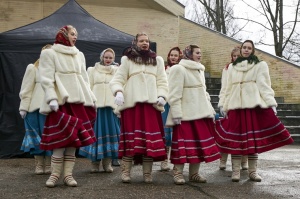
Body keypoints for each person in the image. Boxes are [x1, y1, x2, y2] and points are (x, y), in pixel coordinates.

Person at [214, 40, 293, 182]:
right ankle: (236, 172)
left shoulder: (260, 65)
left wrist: (271, 103)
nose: (246, 50)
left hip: (252, 107)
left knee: (253, 141)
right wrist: (223, 105)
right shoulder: (231, 67)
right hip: (235, 107)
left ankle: (253, 172)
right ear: (241, 49)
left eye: (249, 48)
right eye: (244, 47)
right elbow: (226, 88)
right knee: (235, 141)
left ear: (253, 50)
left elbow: (264, 86)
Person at [38, 25, 97, 188]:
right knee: (59, 140)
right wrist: (51, 98)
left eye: (76, 34)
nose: (75, 36)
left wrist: (91, 98)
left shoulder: (79, 54)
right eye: (72, 34)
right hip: (61, 102)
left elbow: (84, 79)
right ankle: (54, 174)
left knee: (73, 141)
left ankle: (68, 175)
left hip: (78, 102)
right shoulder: (49, 53)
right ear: (63, 35)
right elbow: (46, 77)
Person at [109, 32, 168, 183]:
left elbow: (163, 81)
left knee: (149, 140)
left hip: (151, 107)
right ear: (135, 42)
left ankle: (147, 174)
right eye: (141, 41)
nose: (145, 43)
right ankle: (126, 172)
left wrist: (162, 95)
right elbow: (117, 79)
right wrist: (118, 92)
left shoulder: (157, 60)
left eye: (147, 41)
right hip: (132, 106)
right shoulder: (127, 59)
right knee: (130, 140)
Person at [166, 45, 221, 185]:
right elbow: (174, 93)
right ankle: (178, 173)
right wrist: (177, 113)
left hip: (201, 113)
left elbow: (204, 92)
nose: (199, 55)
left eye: (200, 53)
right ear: (188, 53)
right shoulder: (178, 68)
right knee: (183, 145)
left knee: (198, 145)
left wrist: (210, 109)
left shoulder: (199, 69)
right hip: (185, 114)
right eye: (197, 52)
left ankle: (194, 174)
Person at [79, 48, 120, 173]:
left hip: (110, 109)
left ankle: (107, 163)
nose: (108, 60)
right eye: (106, 57)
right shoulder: (92, 70)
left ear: (113, 59)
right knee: (96, 135)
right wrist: (89, 103)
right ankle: (94, 163)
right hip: (96, 109)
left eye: (110, 58)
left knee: (109, 136)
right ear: (102, 57)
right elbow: (87, 87)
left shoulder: (117, 71)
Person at [19, 44, 53, 175]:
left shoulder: (55, 71)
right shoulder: (33, 68)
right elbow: (26, 89)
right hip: (34, 108)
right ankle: (39, 164)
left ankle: (49, 163)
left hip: (50, 109)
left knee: (49, 136)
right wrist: (23, 107)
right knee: (36, 136)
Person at [218, 46, 248, 171]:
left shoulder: (247, 67)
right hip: (231, 103)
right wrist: (222, 104)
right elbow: (225, 87)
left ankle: (244, 161)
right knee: (228, 133)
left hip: (245, 103)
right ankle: (223, 159)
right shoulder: (227, 69)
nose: (235, 58)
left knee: (244, 135)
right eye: (233, 56)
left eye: (237, 56)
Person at [160, 47, 182, 171]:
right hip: (165, 104)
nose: (173, 57)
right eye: (171, 55)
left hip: (176, 103)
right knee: (165, 134)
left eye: (176, 55)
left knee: (176, 135)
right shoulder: (164, 69)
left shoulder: (181, 69)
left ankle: (176, 161)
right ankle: (164, 160)